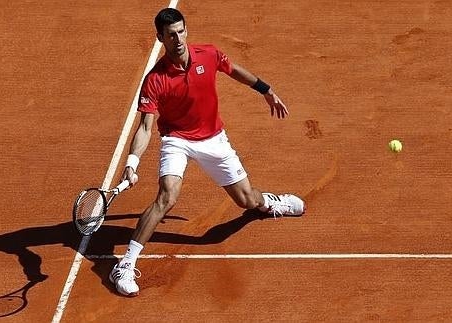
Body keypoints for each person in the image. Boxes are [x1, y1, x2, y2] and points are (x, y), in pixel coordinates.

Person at [109, 8, 306, 297]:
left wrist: (266, 90)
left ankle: (268, 203)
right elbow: (145, 127)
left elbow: (235, 70)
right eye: (170, 34)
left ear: (186, 30)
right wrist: (132, 161)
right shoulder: (155, 79)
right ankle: (125, 265)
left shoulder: (209, 54)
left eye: (181, 31)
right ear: (160, 38)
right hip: (177, 139)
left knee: (246, 200)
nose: (177, 39)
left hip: (214, 139)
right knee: (167, 197)